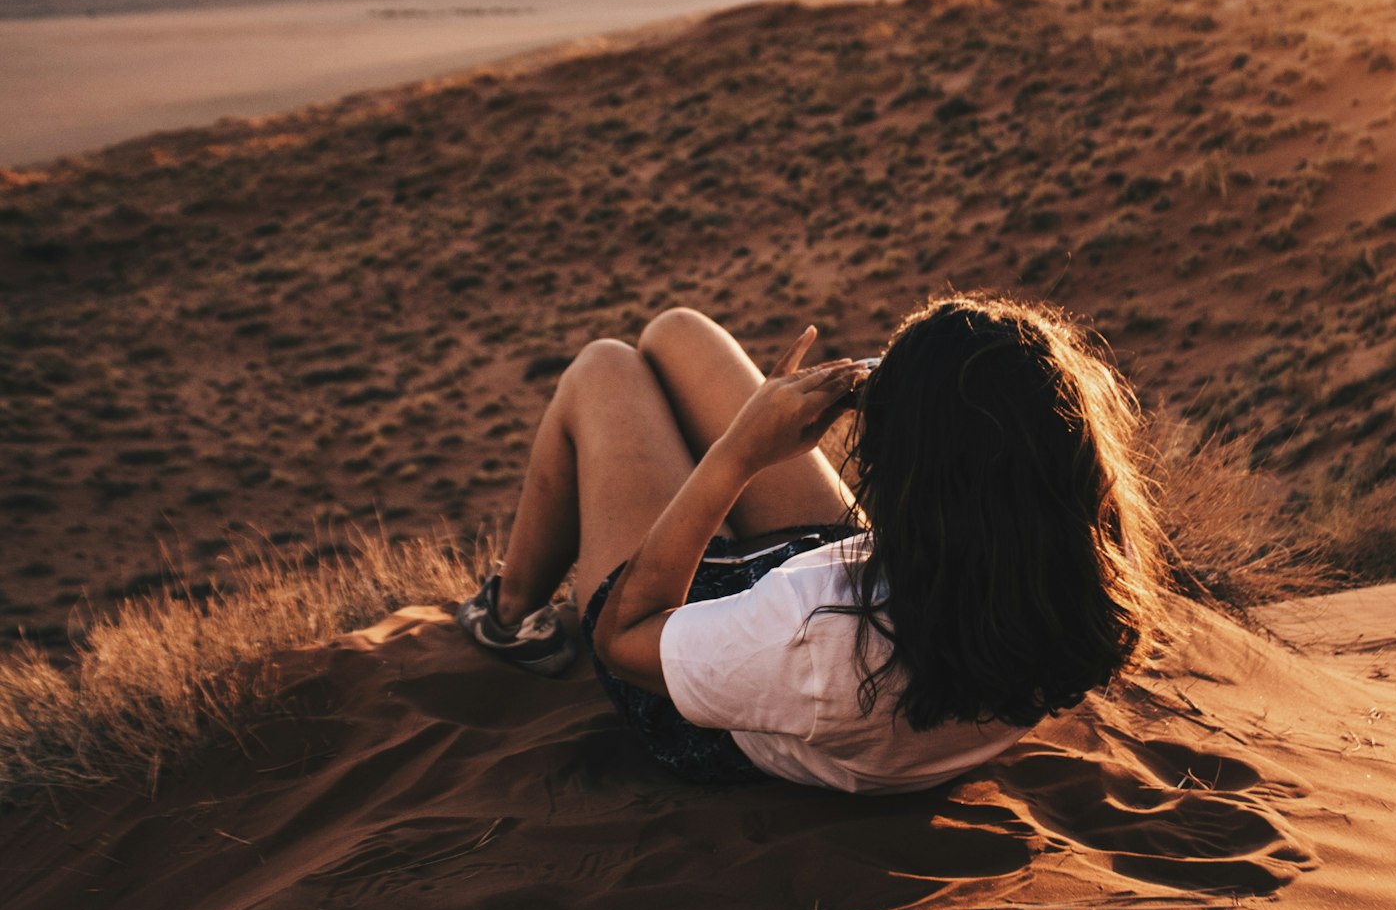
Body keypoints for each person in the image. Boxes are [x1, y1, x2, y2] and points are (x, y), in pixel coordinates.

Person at [457, 295, 1161, 794]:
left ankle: (511, 614)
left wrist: (738, 456)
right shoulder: (1064, 570)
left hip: (718, 682)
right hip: (896, 609)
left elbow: (624, 637)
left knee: (605, 368)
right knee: (679, 330)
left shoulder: (813, 627)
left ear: (923, 483)